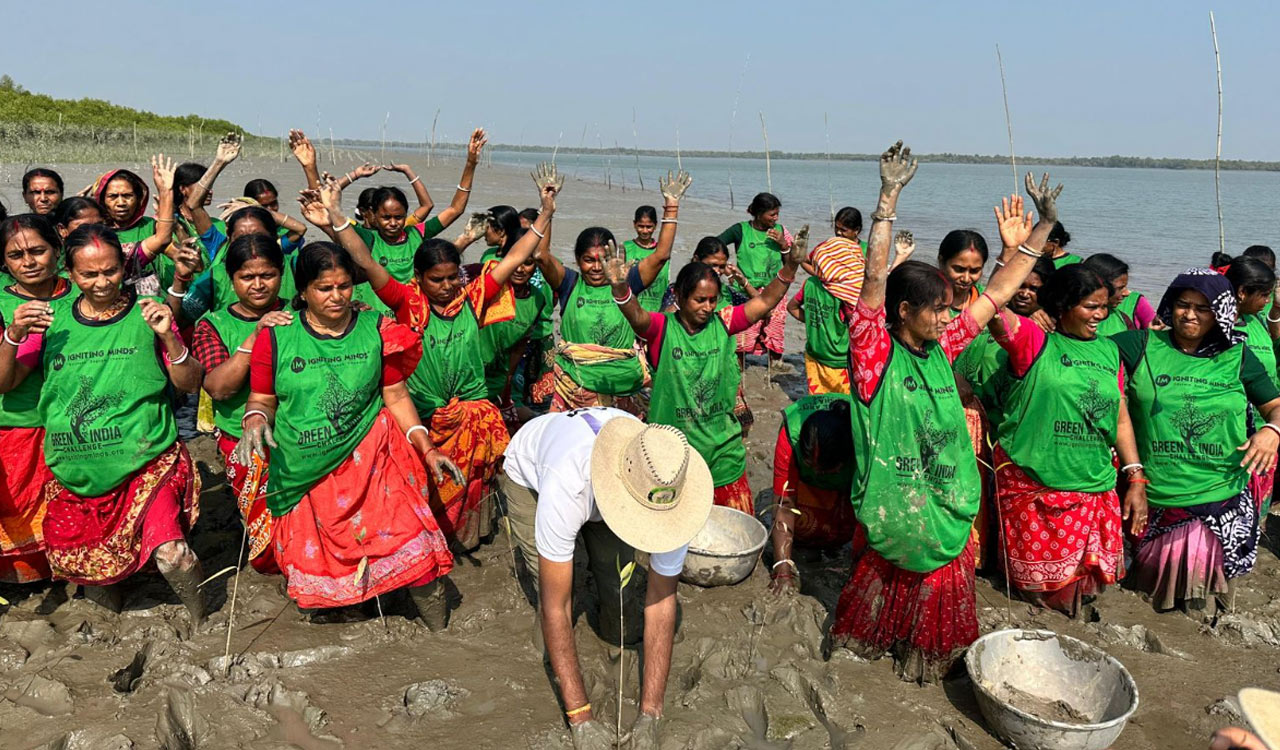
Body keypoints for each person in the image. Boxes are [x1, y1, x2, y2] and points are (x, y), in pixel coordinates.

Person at [821, 142, 1061, 681]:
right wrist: (887, 199)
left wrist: (1044, 229)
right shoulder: (874, 356)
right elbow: (873, 282)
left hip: (944, 500)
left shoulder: (944, 343)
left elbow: (999, 289)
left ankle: (921, 652)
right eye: (934, 307)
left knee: (941, 594)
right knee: (883, 588)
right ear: (904, 312)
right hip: (898, 505)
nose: (944, 313)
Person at [303, 173, 555, 549]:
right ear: (419, 278)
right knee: (426, 482)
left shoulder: (473, 297)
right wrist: (337, 216)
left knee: (474, 481)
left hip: (471, 411)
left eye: (453, 277)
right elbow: (367, 262)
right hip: (425, 415)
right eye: (437, 279)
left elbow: (517, 254)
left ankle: (469, 537)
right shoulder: (407, 302)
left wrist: (548, 210)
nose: (448, 286)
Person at [235, 242, 458, 625]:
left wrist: (427, 448)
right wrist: (255, 419)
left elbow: (396, 395)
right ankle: (346, 607)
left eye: (344, 286)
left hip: (372, 458)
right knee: (321, 579)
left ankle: (442, 633)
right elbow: (262, 399)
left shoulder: (375, 330)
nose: (337, 297)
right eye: (324, 288)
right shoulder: (275, 338)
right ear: (303, 290)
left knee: (414, 546)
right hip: (307, 468)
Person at [0, 225, 206, 624]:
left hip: (146, 461)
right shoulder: (50, 320)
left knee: (173, 556)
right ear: (70, 274)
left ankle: (202, 621)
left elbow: (191, 382)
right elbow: (6, 383)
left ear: (123, 268)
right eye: (89, 275)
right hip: (76, 473)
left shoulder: (148, 311)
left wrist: (170, 339)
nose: (100, 283)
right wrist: (12, 334)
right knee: (94, 578)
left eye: (110, 272)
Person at [499, 408, 712, 750]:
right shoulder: (566, 482)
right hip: (532, 477)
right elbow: (557, 606)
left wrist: (651, 713)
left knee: (618, 593)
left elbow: (661, 600)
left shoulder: (666, 479)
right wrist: (581, 718)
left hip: (610, 486)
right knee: (552, 587)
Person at [1116, 268, 1280, 619]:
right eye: (1182, 305)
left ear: (1220, 313)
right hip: (1156, 494)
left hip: (1219, 495)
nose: (1189, 315)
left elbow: (1275, 406)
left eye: (1202, 309)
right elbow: (1082, 355)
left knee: (1202, 603)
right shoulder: (1140, 345)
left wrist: (1272, 431)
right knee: (1148, 599)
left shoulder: (1237, 356)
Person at [610, 222, 803, 515]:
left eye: (712, 300)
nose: (708, 307)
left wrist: (790, 268)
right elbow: (636, 316)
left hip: (723, 447)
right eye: (700, 300)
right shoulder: (663, 327)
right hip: (672, 448)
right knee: (674, 529)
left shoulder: (724, 322)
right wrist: (621, 288)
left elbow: (764, 301)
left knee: (733, 525)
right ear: (680, 298)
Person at [988, 263, 1147, 616]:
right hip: (1036, 484)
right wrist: (1012, 253)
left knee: (1080, 588)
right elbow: (990, 308)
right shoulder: (1034, 340)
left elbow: (1119, 416)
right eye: (1091, 306)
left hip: (1091, 483)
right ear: (1063, 306)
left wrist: (1135, 476)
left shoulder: (1109, 351)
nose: (1100, 315)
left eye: (1104, 306)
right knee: (1038, 593)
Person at [536, 165, 690, 415]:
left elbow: (661, 256)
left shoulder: (625, 282)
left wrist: (671, 205)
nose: (597, 267)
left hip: (620, 384)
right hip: (574, 387)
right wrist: (547, 207)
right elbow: (541, 255)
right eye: (589, 260)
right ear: (577, 260)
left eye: (603, 259)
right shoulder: (570, 284)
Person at [191, 234, 293, 573]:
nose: (259, 285)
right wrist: (255, 336)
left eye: (268, 275)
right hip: (244, 437)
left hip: (300, 434)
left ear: (281, 273)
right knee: (263, 536)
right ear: (231, 279)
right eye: (247, 277)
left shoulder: (300, 311)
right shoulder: (213, 324)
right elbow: (219, 388)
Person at [0, 215, 73, 584]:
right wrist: (15, 332)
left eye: (37, 251)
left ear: (57, 250)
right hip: (14, 424)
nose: (28, 262)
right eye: (16, 255)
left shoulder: (83, 293)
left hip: (72, 425)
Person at [662, 237, 756, 435]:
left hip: (724, 370)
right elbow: (663, 326)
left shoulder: (726, 293)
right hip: (689, 369)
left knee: (739, 425)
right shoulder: (677, 291)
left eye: (722, 266)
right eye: (713, 265)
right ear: (696, 259)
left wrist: (742, 280)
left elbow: (763, 308)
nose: (718, 271)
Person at [767, 394, 857, 595]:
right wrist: (782, 571)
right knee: (805, 527)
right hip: (805, 488)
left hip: (845, 488)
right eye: (811, 466)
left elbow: (872, 504)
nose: (817, 474)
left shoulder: (864, 443)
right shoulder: (791, 437)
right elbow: (784, 504)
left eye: (826, 471)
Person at [718, 192, 792, 367]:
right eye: (772, 214)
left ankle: (775, 361)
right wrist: (725, 267)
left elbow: (790, 265)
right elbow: (716, 243)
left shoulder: (780, 232)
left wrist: (783, 245)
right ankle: (739, 362)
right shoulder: (740, 230)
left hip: (774, 289)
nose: (776, 218)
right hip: (745, 288)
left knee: (775, 323)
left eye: (777, 214)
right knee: (746, 326)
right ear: (759, 214)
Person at [1082, 253, 1156, 336]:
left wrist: (1148, 335)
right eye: (1120, 288)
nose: (1127, 293)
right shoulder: (1071, 317)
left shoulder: (1122, 319)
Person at [624, 205, 669, 312]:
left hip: (657, 312)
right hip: (631, 312)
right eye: (640, 226)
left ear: (655, 226)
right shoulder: (626, 248)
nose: (644, 231)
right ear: (634, 224)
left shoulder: (662, 252)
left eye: (649, 227)